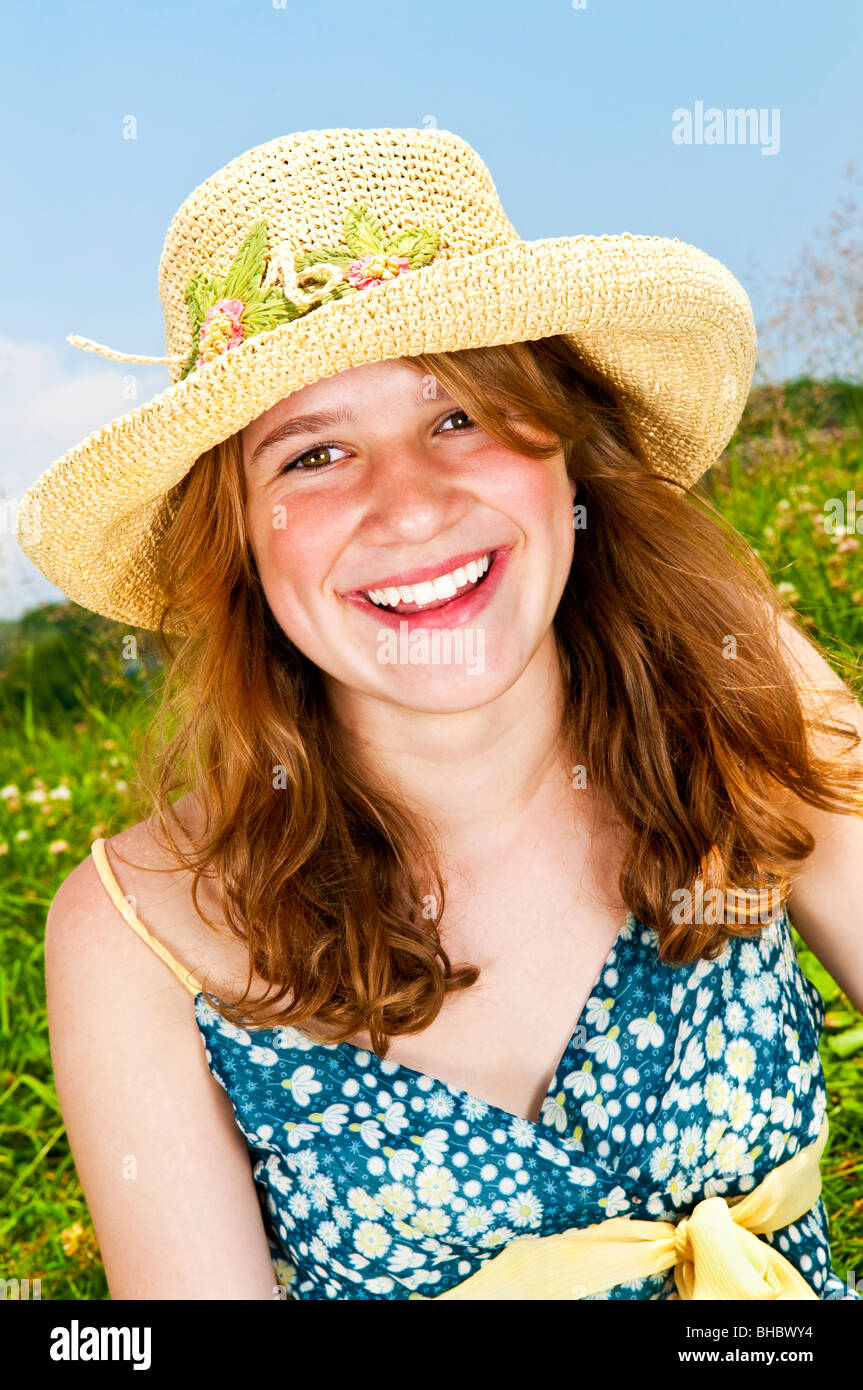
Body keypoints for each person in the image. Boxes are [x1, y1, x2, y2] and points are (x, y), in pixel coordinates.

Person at [19, 127, 863, 1301]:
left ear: (567, 451)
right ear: (240, 547)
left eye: (458, 415)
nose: (408, 507)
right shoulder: (135, 933)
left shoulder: (731, 683)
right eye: (313, 455)